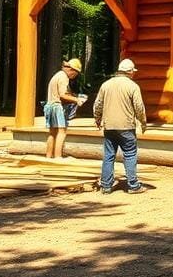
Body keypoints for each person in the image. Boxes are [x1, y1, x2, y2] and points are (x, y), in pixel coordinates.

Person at [93, 57, 148, 194]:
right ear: (129, 72)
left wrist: (98, 118)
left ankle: (106, 186)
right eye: (133, 72)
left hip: (109, 126)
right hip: (126, 127)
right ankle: (133, 185)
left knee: (109, 155)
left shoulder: (106, 85)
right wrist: (143, 122)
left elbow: (98, 104)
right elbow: (139, 107)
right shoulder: (132, 86)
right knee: (129, 154)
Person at [45, 58, 83, 159]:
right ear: (72, 70)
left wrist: (71, 95)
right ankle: (58, 157)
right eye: (75, 74)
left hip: (49, 105)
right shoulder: (64, 77)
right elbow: (62, 95)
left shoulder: (57, 75)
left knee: (52, 133)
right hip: (57, 107)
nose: (74, 77)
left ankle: (48, 156)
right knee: (62, 132)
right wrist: (77, 100)